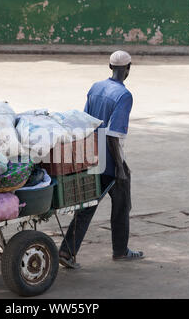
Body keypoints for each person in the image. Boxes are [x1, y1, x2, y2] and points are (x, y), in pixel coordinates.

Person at [58, 50, 144, 269]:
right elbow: (114, 135)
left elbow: (85, 122)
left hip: (91, 153)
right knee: (119, 204)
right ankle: (118, 251)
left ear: (109, 66)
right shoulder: (124, 96)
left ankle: (69, 251)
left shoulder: (95, 88)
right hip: (109, 159)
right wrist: (120, 168)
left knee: (90, 204)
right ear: (128, 69)